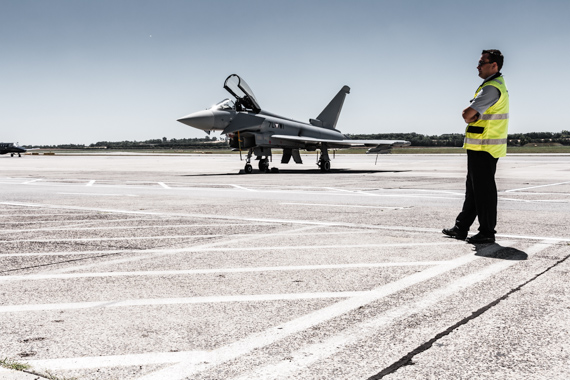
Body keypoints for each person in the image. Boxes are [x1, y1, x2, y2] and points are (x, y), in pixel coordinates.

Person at [443, 49, 509, 244]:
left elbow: (467, 114)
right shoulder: (493, 85)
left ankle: (487, 231)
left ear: (494, 65)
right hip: (482, 147)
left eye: (482, 62)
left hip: (484, 147)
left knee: (484, 191)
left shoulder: (491, 88)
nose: (478, 66)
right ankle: (461, 227)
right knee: (473, 190)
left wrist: (470, 115)